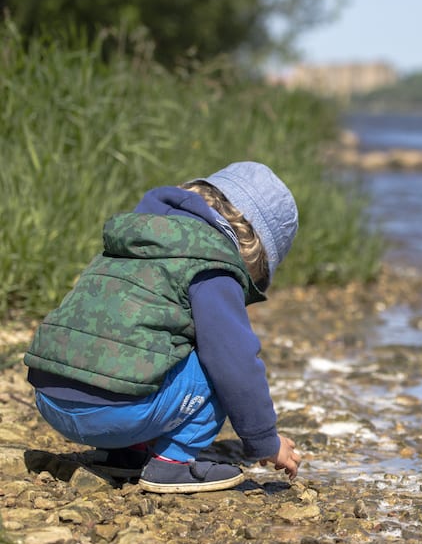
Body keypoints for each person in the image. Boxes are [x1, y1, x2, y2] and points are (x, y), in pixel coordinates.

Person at [24, 161, 302, 493]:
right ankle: (172, 465)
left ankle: (125, 453)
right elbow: (234, 363)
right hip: (114, 412)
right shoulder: (212, 263)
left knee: (140, 340)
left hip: (50, 397)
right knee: (218, 361)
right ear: (253, 248)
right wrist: (264, 440)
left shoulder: (132, 240)